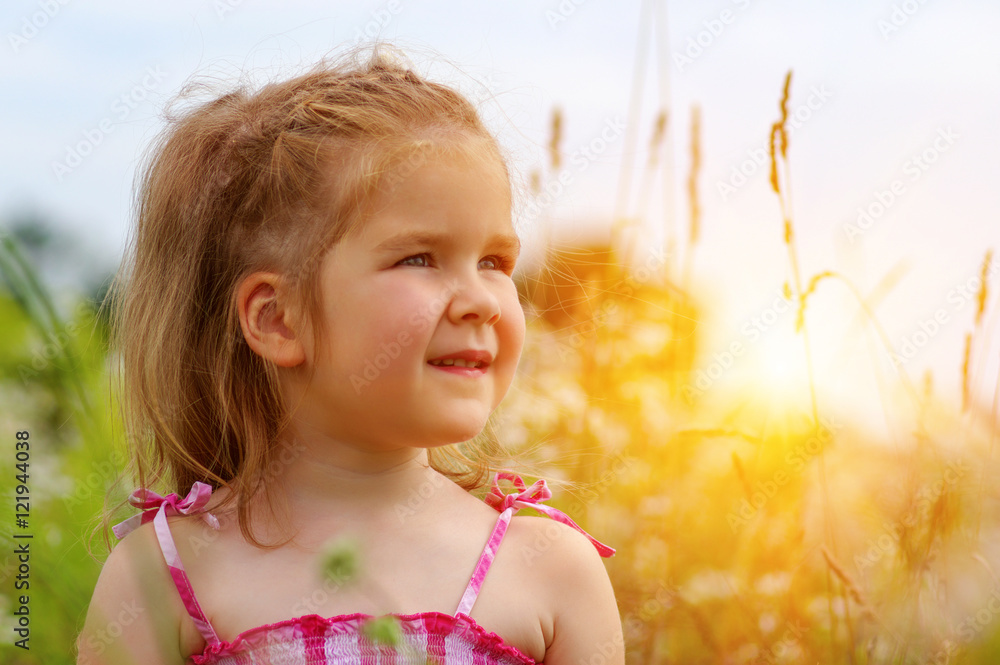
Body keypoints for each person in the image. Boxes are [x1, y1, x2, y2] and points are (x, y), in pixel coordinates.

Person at [77, 44, 624, 665]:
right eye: (418, 258)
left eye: (494, 261)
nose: (481, 300)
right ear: (278, 319)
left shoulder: (551, 568)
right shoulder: (166, 578)